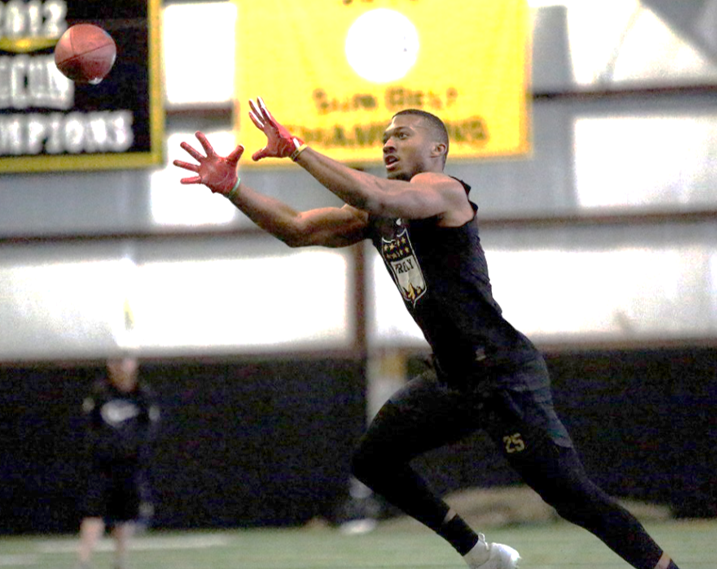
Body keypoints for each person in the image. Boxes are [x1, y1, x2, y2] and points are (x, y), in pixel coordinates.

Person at [174, 98, 680, 569]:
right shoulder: (378, 214)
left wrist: (298, 149)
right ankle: (479, 552)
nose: (388, 143)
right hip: (454, 378)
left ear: (437, 149)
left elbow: (372, 190)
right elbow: (298, 229)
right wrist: (234, 188)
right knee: (373, 460)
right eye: (384, 137)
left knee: (572, 497)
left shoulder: (444, 191)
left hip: (502, 373)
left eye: (401, 134)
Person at [77, 356, 160, 569]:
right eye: (116, 362)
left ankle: (120, 561)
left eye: (124, 362)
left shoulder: (143, 393)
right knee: (94, 511)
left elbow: (149, 428)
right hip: (103, 466)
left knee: (125, 515)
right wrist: (100, 449)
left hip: (130, 466)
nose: (120, 367)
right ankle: (84, 561)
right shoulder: (100, 393)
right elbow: (89, 426)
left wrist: (136, 451)